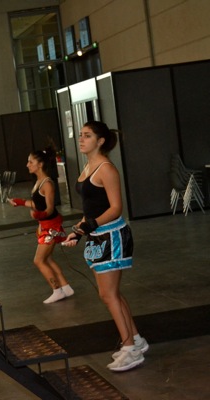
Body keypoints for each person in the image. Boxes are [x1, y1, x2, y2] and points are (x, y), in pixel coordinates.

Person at [64, 121, 148, 372]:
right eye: (80, 135)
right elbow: (90, 208)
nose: (81, 139)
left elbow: (115, 208)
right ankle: (136, 340)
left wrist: (90, 225)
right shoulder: (87, 167)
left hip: (112, 236)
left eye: (87, 136)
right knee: (111, 293)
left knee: (108, 295)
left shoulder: (106, 169)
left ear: (100, 141)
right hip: (97, 236)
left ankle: (130, 349)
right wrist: (78, 232)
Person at [9, 148, 73, 304]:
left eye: (30, 162)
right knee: (47, 258)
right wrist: (20, 202)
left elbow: (49, 209)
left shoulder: (47, 184)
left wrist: (39, 215)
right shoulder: (39, 182)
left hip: (51, 226)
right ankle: (65, 287)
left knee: (38, 260)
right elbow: (37, 204)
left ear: (40, 164)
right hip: (45, 226)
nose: (27, 165)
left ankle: (57, 290)